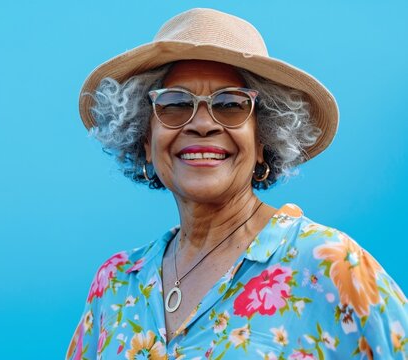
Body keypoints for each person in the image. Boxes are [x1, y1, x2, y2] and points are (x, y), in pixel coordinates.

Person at [66, 8, 408, 360]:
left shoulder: (329, 264)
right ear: (145, 141)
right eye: (175, 103)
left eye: (230, 105)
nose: (202, 124)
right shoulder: (116, 284)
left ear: (264, 139)